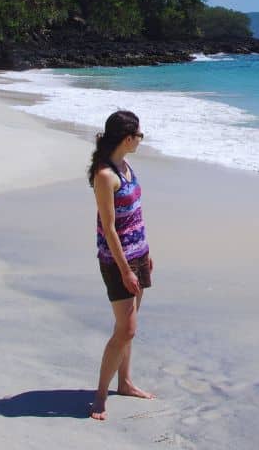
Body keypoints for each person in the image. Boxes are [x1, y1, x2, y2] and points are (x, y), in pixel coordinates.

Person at [88, 110, 155, 421]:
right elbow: (109, 227)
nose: (141, 140)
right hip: (118, 262)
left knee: (129, 329)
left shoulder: (126, 166)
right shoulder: (105, 175)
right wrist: (126, 268)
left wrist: (145, 253)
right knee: (125, 329)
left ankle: (125, 383)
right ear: (127, 138)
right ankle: (100, 396)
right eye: (139, 135)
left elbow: (136, 214)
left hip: (138, 255)